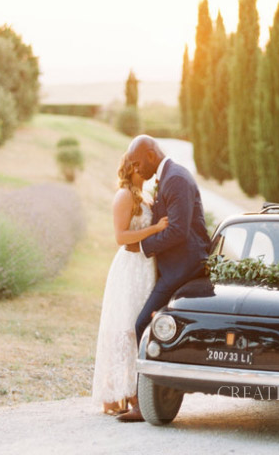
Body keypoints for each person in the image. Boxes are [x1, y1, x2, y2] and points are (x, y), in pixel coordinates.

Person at [116, 135, 210, 423]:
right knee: (153, 324)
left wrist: (143, 247)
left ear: (149, 155)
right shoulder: (167, 177)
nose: (135, 168)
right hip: (172, 266)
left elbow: (179, 231)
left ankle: (147, 403)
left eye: (136, 162)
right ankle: (159, 393)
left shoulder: (176, 178)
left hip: (183, 267)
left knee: (143, 323)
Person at [90, 153, 169, 415]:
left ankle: (134, 392)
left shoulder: (144, 195)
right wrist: (155, 229)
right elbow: (121, 237)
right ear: (135, 167)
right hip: (129, 269)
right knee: (125, 329)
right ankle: (121, 395)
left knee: (139, 327)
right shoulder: (124, 195)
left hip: (146, 268)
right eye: (144, 165)